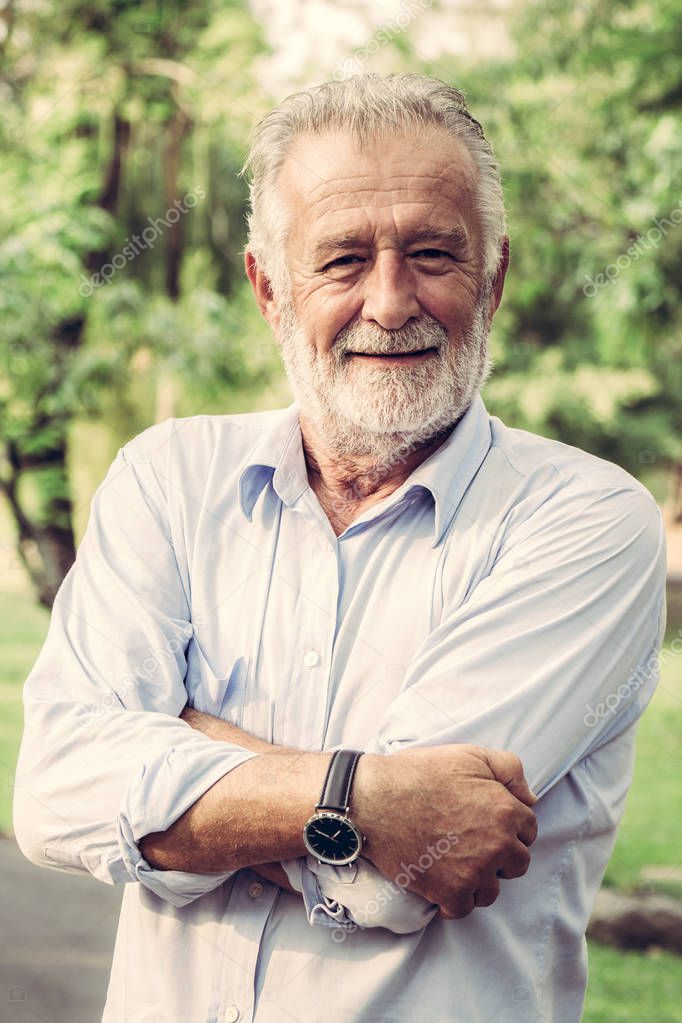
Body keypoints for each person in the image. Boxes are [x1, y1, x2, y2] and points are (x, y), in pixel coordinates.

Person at [13, 73, 666, 1023]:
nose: (392, 300)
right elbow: (55, 792)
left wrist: (168, 740)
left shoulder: (587, 519)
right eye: (343, 259)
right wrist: (362, 797)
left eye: (434, 253)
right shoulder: (168, 478)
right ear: (269, 288)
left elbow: (397, 881)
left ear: (495, 276)